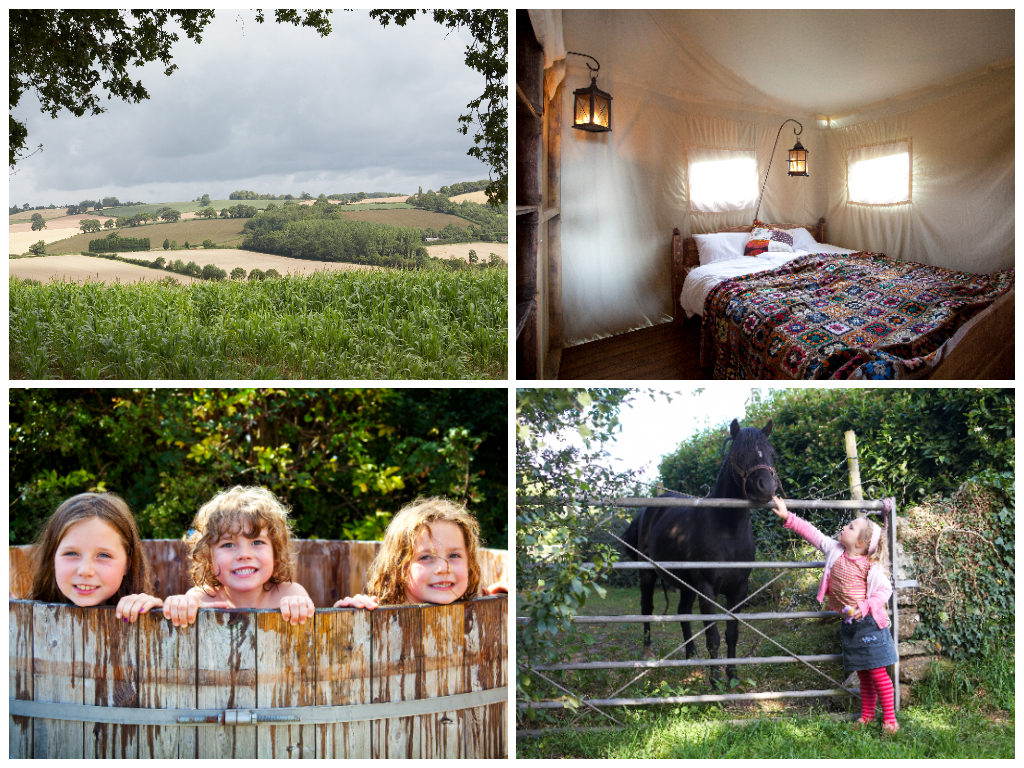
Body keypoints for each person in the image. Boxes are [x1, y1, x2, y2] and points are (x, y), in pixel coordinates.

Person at [771, 495, 899, 733]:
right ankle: (867, 715)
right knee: (862, 672)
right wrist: (789, 517)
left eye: (851, 527)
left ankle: (890, 720)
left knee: (878, 672)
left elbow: (884, 590)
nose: (844, 527)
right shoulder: (835, 550)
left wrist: (865, 606)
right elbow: (814, 534)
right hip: (850, 625)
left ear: (861, 543)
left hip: (870, 624)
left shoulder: (871, 566)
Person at [162, 486, 314, 626]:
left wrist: (299, 606)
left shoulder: (290, 593)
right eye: (228, 545)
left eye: (257, 542)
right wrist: (180, 606)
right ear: (209, 559)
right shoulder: (201, 598)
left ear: (275, 553)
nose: (244, 555)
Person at [334, 497, 507, 610]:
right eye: (426, 557)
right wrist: (349, 614)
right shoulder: (375, 614)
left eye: (454, 555)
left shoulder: (482, 612)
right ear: (398, 567)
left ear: (469, 564)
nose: (443, 568)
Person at [28, 492, 163, 622]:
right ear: (53, 558)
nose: (85, 571)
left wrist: (155, 614)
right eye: (71, 553)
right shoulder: (25, 619)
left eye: (103, 555)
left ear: (127, 564)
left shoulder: (141, 609)